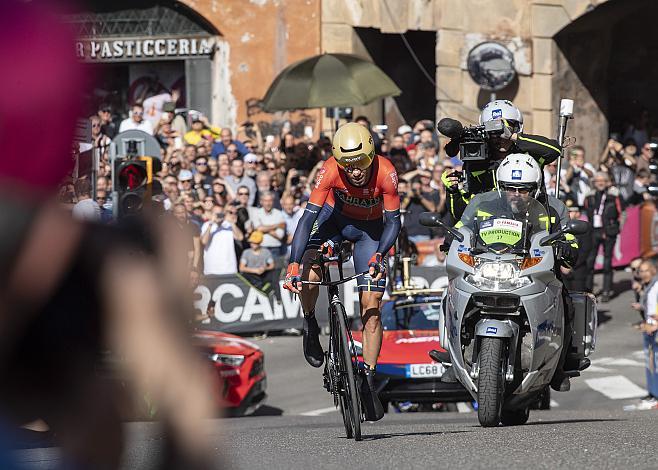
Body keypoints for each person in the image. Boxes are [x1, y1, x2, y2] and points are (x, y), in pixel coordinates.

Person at [283, 122, 401, 422]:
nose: (356, 170)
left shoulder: (386, 172)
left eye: (361, 162)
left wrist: (378, 255)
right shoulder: (330, 170)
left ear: (372, 155)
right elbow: (307, 217)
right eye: (349, 165)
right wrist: (294, 263)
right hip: (332, 221)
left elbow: (394, 224)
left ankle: (368, 378)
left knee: (371, 306)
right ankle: (310, 324)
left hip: (370, 233)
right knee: (309, 271)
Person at [441, 100, 561, 221]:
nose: (500, 138)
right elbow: (461, 214)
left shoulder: (529, 153)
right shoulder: (477, 160)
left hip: (531, 225)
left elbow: (554, 150)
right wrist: (452, 191)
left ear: (518, 128)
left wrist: (511, 136)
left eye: (508, 129)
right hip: (491, 232)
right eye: (494, 133)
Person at [584, 172, 624, 302]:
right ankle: (588, 290)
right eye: (598, 180)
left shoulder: (614, 195)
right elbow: (586, 210)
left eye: (603, 180)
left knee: (607, 263)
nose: (600, 183)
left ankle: (606, 290)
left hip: (608, 231)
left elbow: (622, 212)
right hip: (593, 231)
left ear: (607, 182)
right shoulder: (589, 195)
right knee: (590, 261)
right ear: (594, 182)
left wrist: (616, 228)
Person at [632, 260, 658, 407]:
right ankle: (653, 393)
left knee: (655, 364)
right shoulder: (649, 286)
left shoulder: (657, 285)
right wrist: (641, 307)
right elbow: (651, 305)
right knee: (650, 364)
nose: (642, 274)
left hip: (654, 329)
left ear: (653, 270)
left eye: (645, 271)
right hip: (648, 328)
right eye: (640, 271)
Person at [200, 206, 244, 276]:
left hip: (229, 269)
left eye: (221, 214)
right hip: (211, 269)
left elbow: (240, 237)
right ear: (212, 214)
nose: (219, 216)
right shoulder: (207, 225)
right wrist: (211, 223)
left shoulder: (229, 225)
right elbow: (203, 241)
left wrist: (232, 223)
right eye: (216, 214)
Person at [562, 205, 592, 292]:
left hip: (577, 270)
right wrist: (562, 265)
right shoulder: (562, 228)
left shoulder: (584, 229)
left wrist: (570, 266)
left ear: (578, 213)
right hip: (563, 270)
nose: (569, 214)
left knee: (579, 297)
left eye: (571, 212)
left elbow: (585, 251)